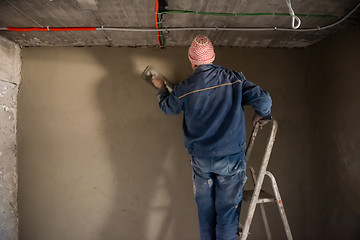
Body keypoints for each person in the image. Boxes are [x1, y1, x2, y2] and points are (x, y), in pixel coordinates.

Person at [151, 35, 272, 240]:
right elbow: (264, 99)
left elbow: (167, 108)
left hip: (201, 161)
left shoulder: (185, 88)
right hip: (230, 160)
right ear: (213, 57)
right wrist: (262, 114)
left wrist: (161, 88)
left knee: (206, 214)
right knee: (226, 213)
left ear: (192, 60)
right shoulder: (233, 79)